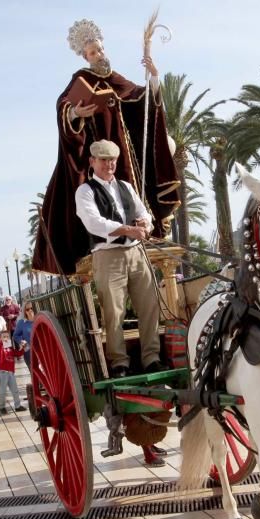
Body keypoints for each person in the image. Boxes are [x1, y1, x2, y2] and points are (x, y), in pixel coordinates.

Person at [33, 18, 179, 276]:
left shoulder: (115, 78)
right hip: (98, 152)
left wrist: (154, 76)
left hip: (125, 153)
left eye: (100, 49)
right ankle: (108, 237)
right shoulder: (81, 78)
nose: (98, 55)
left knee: (132, 193)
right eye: (92, 52)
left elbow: (142, 100)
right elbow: (64, 107)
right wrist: (76, 113)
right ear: (85, 56)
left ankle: (143, 228)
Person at [75, 139, 164, 378]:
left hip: (136, 252)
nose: (109, 164)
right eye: (104, 160)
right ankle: (119, 363)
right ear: (92, 162)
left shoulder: (125, 186)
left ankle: (152, 358)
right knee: (114, 311)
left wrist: (145, 223)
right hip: (107, 255)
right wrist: (127, 229)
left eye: (112, 160)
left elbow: (142, 211)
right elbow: (94, 223)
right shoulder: (85, 191)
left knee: (150, 305)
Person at [0, 330, 26, 415]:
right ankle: (2, 407)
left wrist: (22, 348)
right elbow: (1, 348)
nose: (6, 338)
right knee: (3, 391)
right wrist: (3, 342)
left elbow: (17, 353)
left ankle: (17, 406)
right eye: (4, 337)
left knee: (15, 390)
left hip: (10, 371)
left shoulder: (10, 347)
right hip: (3, 372)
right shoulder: (0, 346)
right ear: (0, 338)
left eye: (7, 336)